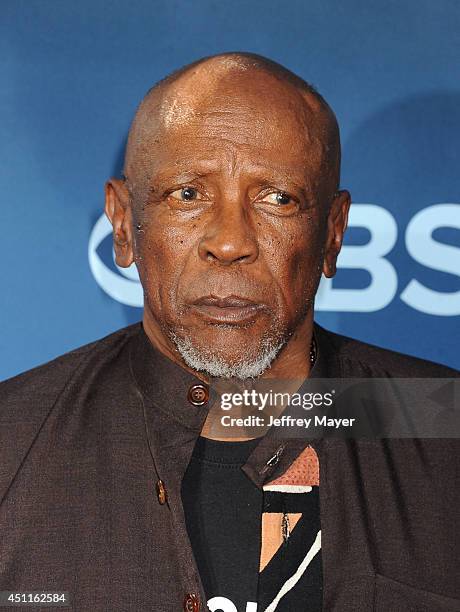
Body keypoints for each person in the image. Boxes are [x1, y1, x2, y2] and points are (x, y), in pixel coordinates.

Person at [0, 52, 458, 612]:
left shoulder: (442, 421)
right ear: (123, 223)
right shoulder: (11, 440)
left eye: (277, 198)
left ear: (333, 232)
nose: (230, 241)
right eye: (187, 194)